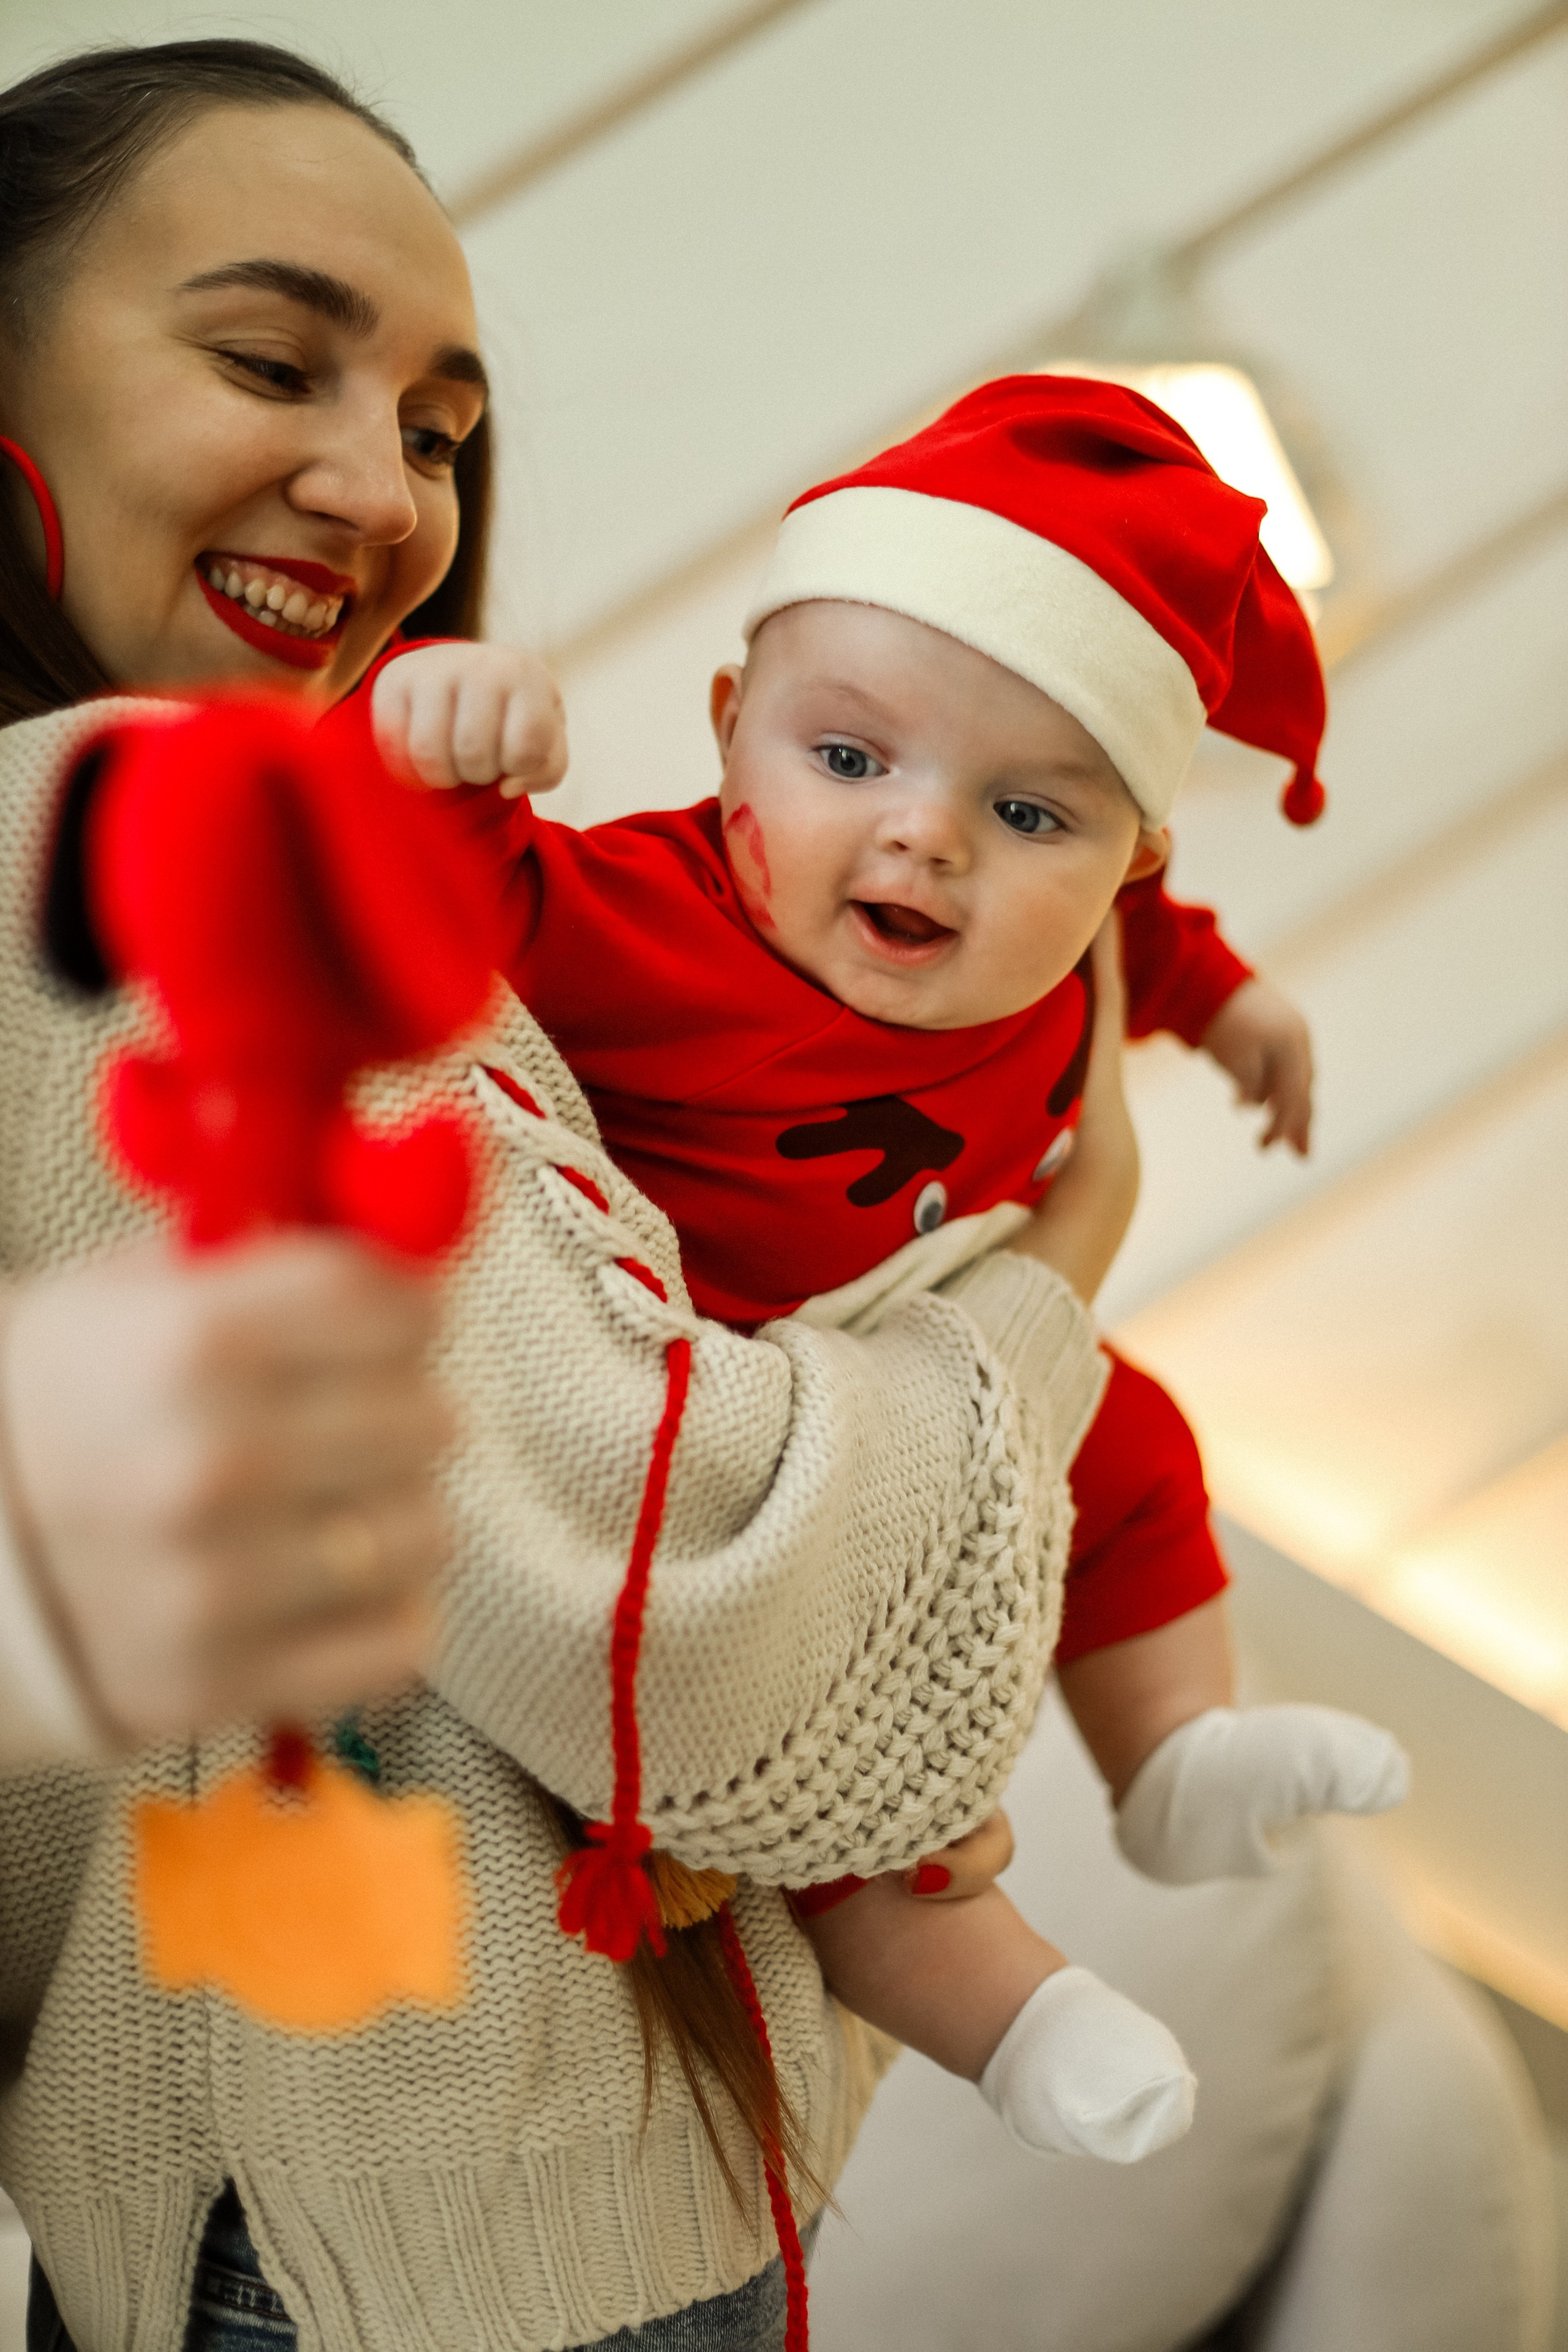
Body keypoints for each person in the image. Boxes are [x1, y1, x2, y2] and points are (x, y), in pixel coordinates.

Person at [0, 40, 1130, 2352]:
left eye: (437, 426)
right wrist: (1050, 1274)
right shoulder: (147, 831)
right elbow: (677, 1608)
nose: (380, 491)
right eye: (265, 357)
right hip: (402, 2258)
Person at [343, 375, 1407, 2166]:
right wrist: (433, 750)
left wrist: (1238, 1013)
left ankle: (1175, 1757)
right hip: (731, 1452)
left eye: (1032, 816)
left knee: (1136, 1448)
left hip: (946, 1368)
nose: (927, 835)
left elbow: (1151, 931)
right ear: (727, 726)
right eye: (848, 761)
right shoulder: (649, 923)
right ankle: (1022, 2021)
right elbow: (457, 918)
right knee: (840, 1797)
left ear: (1127, 850)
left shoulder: (1087, 943)